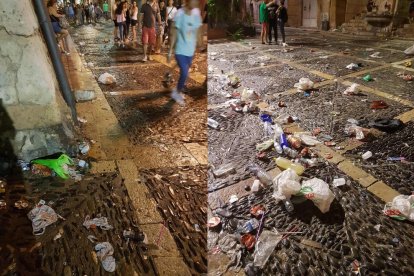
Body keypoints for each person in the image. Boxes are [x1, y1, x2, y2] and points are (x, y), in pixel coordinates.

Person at [168, 0, 202, 105]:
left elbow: (197, 31)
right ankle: (176, 92)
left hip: (190, 51)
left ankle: (176, 84)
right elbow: (174, 32)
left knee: (185, 72)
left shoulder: (196, 13)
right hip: (180, 50)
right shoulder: (180, 13)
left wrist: (200, 44)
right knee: (184, 72)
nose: (197, 2)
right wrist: (170, 51)